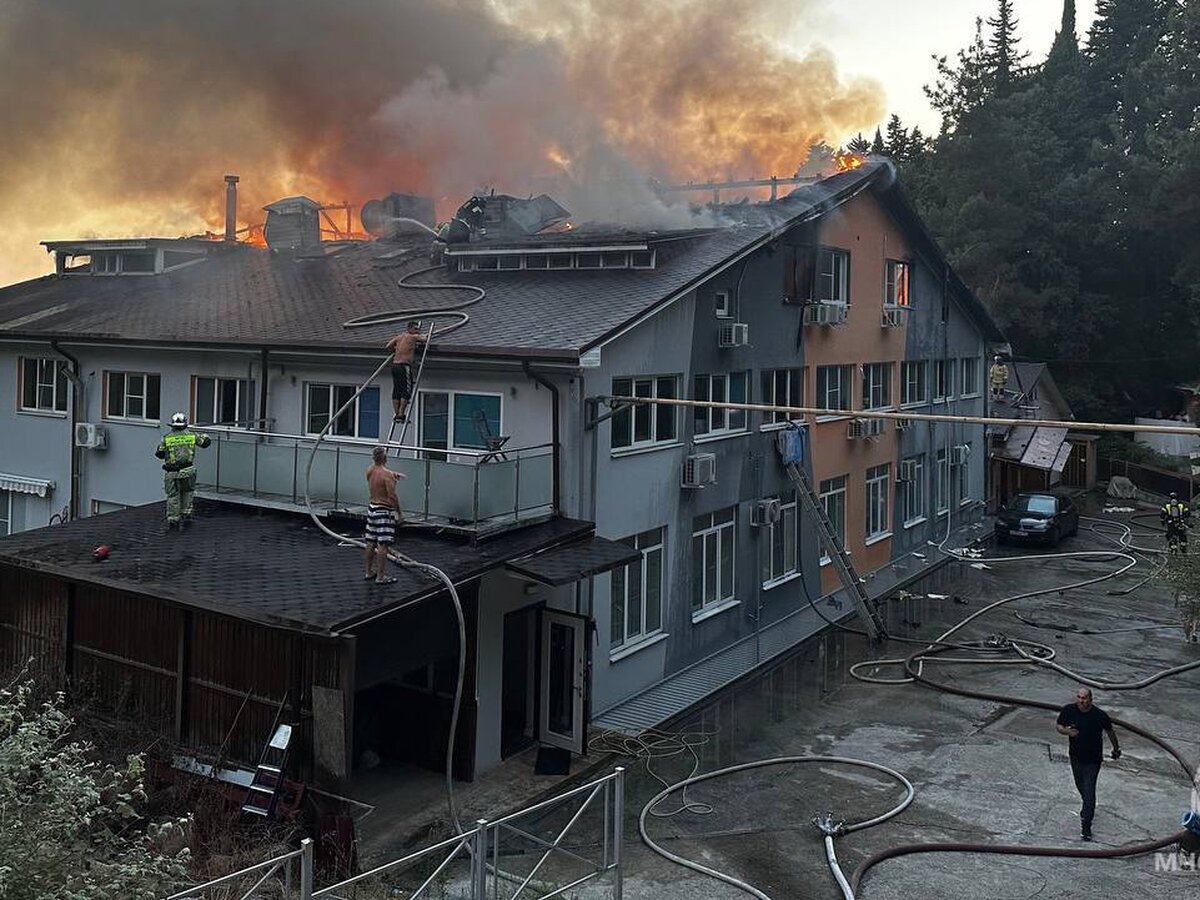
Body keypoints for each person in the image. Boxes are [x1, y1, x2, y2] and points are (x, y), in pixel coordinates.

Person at [1055, 687, 1120, 841]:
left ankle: (1086, 826)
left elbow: (1110, 732)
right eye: (1079, 697)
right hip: (1076, 757)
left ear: (1091, 699)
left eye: (1084, 698)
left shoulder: (1099, 715)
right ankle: (1088, 808)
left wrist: (1116, 749)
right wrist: (1067, 732)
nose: (1081, 701)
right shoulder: (1069, 710)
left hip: (1093, 760)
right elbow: (1059, 726)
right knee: (1081, 787)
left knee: (1089, 791)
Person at [155, 412, 211, 529]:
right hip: (188, 470)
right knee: (187, 492)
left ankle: (173, 519)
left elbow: (159, 454)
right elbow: (205, 443)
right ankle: (186, 514)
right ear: (185, 425)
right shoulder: (192, 436)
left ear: (172, 425)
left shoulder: (167, 438)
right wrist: (205, 436)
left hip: (172, 473)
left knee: (173, 495)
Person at [364, 446, 405, 585]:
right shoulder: (387, 475)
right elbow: (392, 496)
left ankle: (369, 571)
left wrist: (392, 474)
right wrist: (399, 513)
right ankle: (380, 577)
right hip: (383, 511)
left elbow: (379, 475)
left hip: (372, 508)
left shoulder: (370, 470)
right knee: (383, 544)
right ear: (385, 457)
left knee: (370, 541)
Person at [385, 321, 430, 423]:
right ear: (409, 329)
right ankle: (401, 414)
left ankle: (396, 415)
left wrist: (396, 350)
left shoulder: (399, 337)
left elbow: (388, 346)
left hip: (395, 365)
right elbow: (425, 339)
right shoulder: (412, 337)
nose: (417, 331)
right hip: (404, 366)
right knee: (407, 390)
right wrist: (422, 335)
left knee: (397, 389)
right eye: (415, 329)